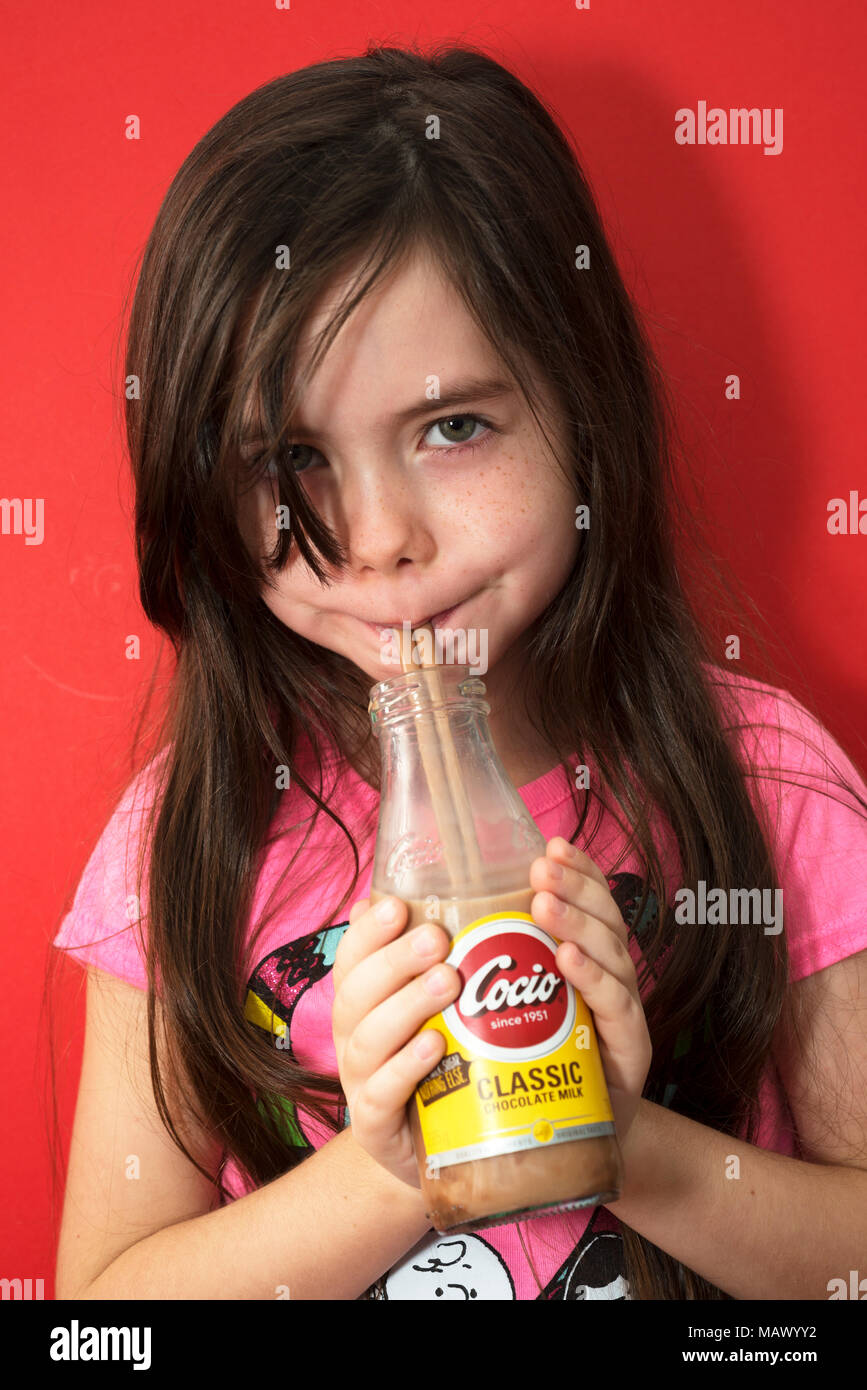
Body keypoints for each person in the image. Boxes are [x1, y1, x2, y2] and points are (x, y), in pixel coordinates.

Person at [51, 43, 867, 1301]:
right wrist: (390, 1173)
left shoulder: (766, 785)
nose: (381, 541)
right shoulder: (190, 842)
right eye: (293, 459)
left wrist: (624, 1146)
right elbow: (104, 1320)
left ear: (585, 410)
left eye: (452, 426)